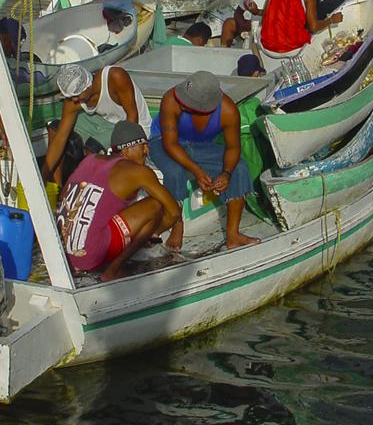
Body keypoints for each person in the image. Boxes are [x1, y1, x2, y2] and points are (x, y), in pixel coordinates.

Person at [148, 71, 260, 253]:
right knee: (175, 171)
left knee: (239, 168)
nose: (182, 103)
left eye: (188, 103)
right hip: (164, 141)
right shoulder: (170, 99)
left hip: (201, 146)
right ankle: (177, 224)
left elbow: (233, 148)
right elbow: (170, 144)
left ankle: (233, 235)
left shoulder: (228, 110)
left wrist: (226, 173)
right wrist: (197, 171)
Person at [56, 120, 180, 281]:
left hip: (66, 254)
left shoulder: (90, 159)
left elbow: (64, 196)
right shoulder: (138, 172)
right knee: (155, 205)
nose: (146, 151)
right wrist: (151, 234)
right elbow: (173, 212)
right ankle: (114, 270)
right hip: (91, 256)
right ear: (128, 149)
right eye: (143, 145)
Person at [45, 63, 152, 174]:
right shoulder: (74, 101)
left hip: (132, 126)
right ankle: (53, 185)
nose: (74, 100)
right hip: (102, 120)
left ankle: (90, 185)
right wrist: (41, 177)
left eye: (77, 96)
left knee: (92, 148)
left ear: (88, 86)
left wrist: (126, 152)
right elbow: (60, 139)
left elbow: (132, 117)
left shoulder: (115, 76)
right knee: (55, 128)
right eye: (70, 97)